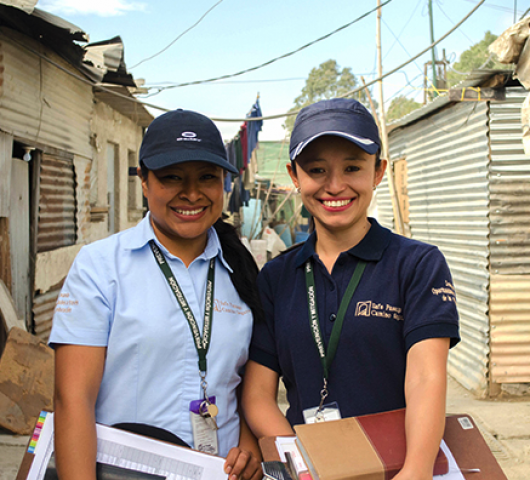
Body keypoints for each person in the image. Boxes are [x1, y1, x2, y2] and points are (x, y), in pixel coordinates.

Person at [241, 98, 460, 480]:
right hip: (309, 467)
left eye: (353, 167)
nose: (335, 185)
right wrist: (303, 464)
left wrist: (417, 469)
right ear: (295, 176)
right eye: (317, 170)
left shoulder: (417, 265)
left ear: (378, 172)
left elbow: (426, 377)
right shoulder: (277, 277)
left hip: (398, 466)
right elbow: (258, 395)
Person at [50, 109, 262, 480]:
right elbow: (73, 402)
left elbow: (243, 387)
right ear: (144, 181)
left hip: (218, 472)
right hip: (124, 472)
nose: (192, 193)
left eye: (207, 178)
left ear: (224, 184)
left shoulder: (240, 272)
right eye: (172, 177)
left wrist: (248, 444)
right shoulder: (101, 268)